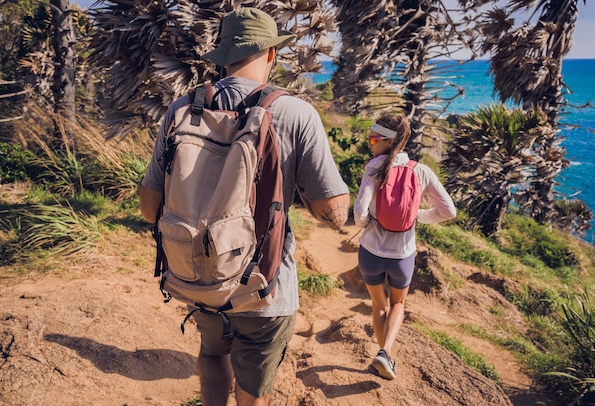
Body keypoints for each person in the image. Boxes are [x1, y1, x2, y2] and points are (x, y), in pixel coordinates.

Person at [138, 8, 350, 406]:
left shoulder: (181, 109)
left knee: (213, 354)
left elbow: (150, 209)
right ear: (271, 54)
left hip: (197, 274)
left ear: (223, 56)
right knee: (254, 388)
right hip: (264, 287)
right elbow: (333, 212)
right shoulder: (296, 113)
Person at [353, 113, 456, 380]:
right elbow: (449, 212)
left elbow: (359, 211)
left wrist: (367, 223)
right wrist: (418, 216)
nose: (370, 143)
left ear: (387, 142)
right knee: (399, 303)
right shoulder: (421, 170)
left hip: (370, 252)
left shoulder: (373, 166)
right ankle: (385, 353)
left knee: (379, 307)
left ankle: (382, 354)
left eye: (374, 139)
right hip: (402, 255)